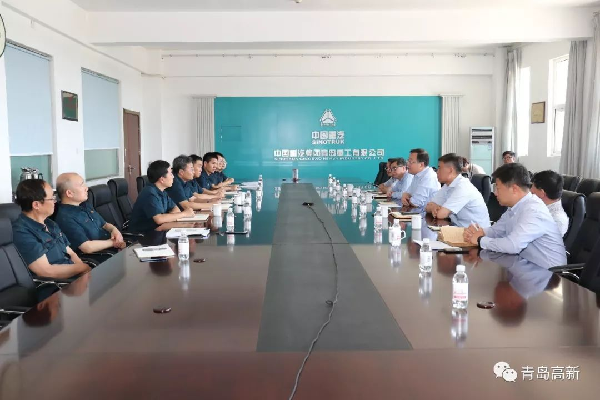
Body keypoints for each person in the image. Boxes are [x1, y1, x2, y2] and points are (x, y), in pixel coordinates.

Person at [463, 163, 567, 269]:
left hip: (548, 273)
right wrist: (480, 231)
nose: (495, 193)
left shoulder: (534, 210)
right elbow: (497, 231)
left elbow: (513, 245)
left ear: (514, 189)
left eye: (498, 188)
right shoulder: (516, 206)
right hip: (523, 265)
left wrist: (480, 240)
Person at [12, 179, 91, 279]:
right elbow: (46, 271)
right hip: (58, 284)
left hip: (75, 276)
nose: (55, 202)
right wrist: (82, 268)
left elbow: (71, 253)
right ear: (36, 205)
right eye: (51, 199)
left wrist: (83, 272)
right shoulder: (22, 232)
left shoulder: (50, 224)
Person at [54, 173, 126, 254]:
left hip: (113, 248)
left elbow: (104, 224)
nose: (86, 188)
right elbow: (86, 247)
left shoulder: (84, 205)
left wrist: (114, 229)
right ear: (69, 193)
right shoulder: (65, 218)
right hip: (101, 256)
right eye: (81, 185)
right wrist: (114, 242)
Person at [129, 160, 196, 233]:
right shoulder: (149, 193)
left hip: (159, 229)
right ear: (162, 179)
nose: (173, 177)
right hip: (143, 234)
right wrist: (184, 214)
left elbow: (175, 209)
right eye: (171, 174)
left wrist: (167, 217)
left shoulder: (163, 191)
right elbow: (159, 219)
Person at [425, 153, 490, 227]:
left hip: (476, 232)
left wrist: (435, 208)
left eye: (439, 168)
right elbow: (427, 207)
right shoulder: (447, 185)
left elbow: (441, 214)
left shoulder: (463, 187)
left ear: (450, 170)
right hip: (460, 228)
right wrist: (433, 207)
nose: (437, 172)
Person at [531, 170, 569, 236]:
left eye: (532, 189)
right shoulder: (538, 205)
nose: (530, 191)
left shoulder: (557, 220)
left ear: (542, 193)